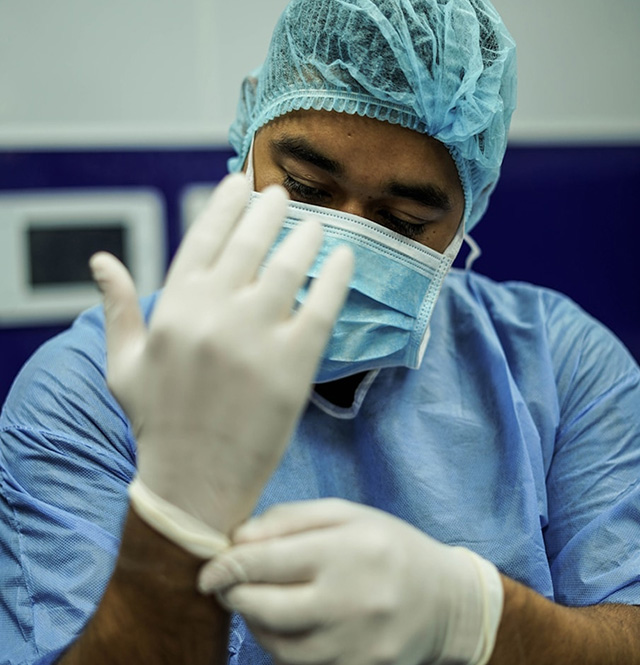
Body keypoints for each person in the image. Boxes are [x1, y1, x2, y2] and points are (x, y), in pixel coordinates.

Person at [1, 0, 640, 663]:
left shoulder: (561, 367)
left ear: (464, 217)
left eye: (400, 222)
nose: (342, 253)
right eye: (306, 188)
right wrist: (172, 520)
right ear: (247, 141)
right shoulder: (84, 392)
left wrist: (480, 618)